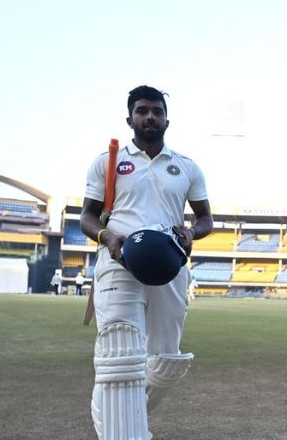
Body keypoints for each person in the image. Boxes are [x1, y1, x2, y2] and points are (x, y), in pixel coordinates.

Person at [80, 85, 213, 440]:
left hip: (169, 263)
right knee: (120, 353)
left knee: (167, 360)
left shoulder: (186, 167)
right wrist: (108, 237)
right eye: (142, 111)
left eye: (156, 111)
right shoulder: (107, 162)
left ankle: (117, 417)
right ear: (130, 119)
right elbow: (87, 216)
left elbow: (205, 219)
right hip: (119, 260)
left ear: (167, 120)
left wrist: (190, 233)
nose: (150, 116)